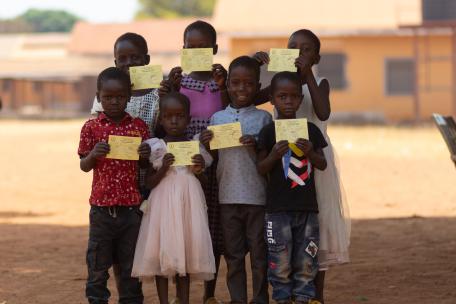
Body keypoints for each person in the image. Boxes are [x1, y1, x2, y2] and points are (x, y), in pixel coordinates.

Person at [253, 29, 351, 303]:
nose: (298, 53)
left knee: (317, 225)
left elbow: (323, 112)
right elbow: (250, 98)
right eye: (292, 47)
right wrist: (256, 66)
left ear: (316, 56)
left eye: (306, 49)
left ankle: (315, 294)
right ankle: (287, 292)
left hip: (314, 159)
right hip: (283, 164)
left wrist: (307, 75)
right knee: (289, 225)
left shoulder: (320, 81)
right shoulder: (279, 86)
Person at [159, 20, 228, 304]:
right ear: (183, 49)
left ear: (214, 49)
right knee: (183, 226)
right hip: (182, 167)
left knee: (212, 228)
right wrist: (168, 89)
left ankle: (209, 294)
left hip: (214, 161)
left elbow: (229, 112)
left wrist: (223, 87)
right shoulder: (178, 82)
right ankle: (180, 292)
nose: (197, 50)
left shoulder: (220, 82)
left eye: (203, 47)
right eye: (192, 46)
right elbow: (164, 123)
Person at [132, 92, 215, 304]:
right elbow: (148, 183)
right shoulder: (156, 146)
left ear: (188, 118)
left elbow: (205, 182)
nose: (174, 121)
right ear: (161, 119)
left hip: (189, 204)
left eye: (179, 116)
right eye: (169, 116)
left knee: (184, 257)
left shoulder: (195, 146)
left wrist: (197, 168)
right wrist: (164, 167)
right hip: (162, 207)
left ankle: (184, 300)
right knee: (163, 253)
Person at [200, 56, 271, 304]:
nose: (242, 89)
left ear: (258, 87)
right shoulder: (218, 119)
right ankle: (238, 299)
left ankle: (260, 298)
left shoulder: (264, 119)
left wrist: (256, 144)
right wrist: (206, 145)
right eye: (236, 83)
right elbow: (210, 160)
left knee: (260, 254)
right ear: (227, 85)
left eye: (249, 84)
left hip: (257, 198)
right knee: (233, 254)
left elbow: (268, 159)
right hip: (227, 197)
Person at [78, 67, 151, 304]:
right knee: (98, 266)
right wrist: (93, 155)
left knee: (130, 267)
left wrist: (144, 154)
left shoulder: (138, 127)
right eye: (108, 97)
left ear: (129, 97)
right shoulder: (91, 127)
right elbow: (84, 166)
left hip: (131, 210)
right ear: (98, 97)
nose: (114, 102)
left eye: (119, 97)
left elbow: (145, 165)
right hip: (101, 211)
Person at [257, 71, 328, 304]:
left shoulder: (311, 131)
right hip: (277, 210)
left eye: (293, 97)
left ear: (300, 99)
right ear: (272, 100)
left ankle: (304, 297)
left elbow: (322, 164)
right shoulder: (268, 132)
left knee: (307, 257)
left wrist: (309, 151)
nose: (288, 102)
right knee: (280, 258)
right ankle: (282, 298)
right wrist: (275, 156)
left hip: (307, 209)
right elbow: (261, 168)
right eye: (282, 97)